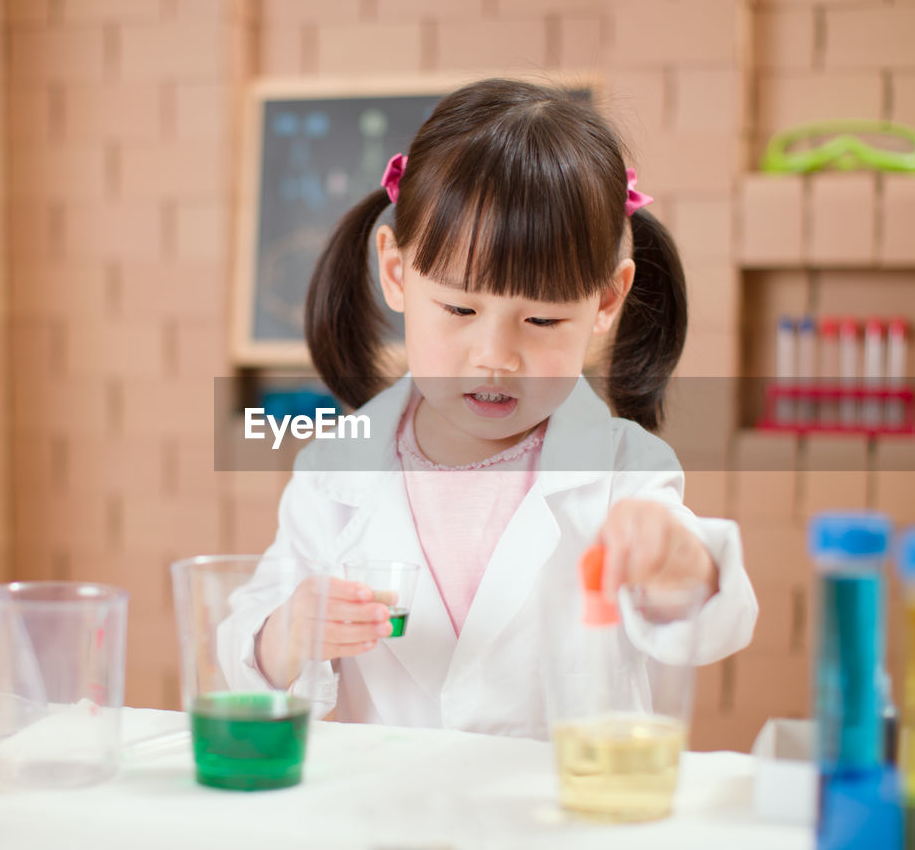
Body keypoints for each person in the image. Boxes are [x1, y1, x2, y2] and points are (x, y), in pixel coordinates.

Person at [225, 78, 757, 739]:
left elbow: (711, 623)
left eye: (540, 319)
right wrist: (287, 633)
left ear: (607, 300)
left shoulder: (624, 470)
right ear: (396, 273)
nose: (494, 356)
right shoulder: (334, 472)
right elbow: (243, 657)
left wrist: (683, 566)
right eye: (459, 309)